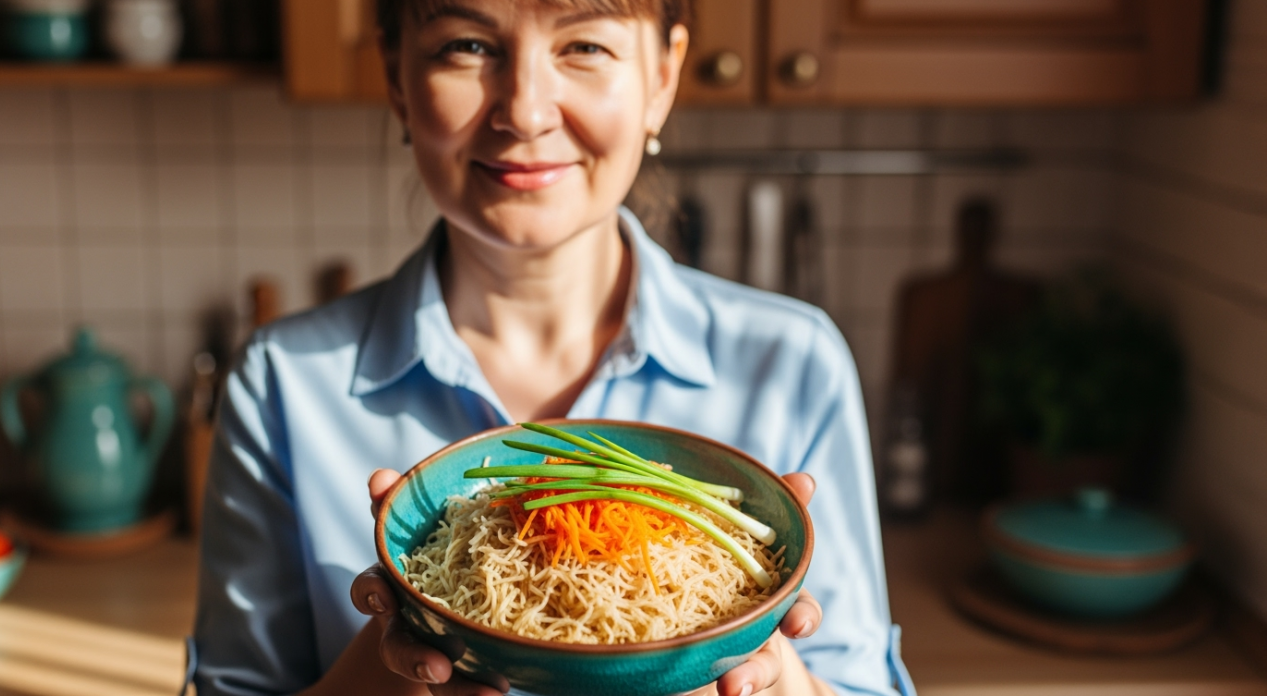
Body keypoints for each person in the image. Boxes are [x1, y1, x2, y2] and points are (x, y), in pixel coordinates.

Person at [189, 1, 914, 695]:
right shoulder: (281, 383)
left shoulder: (792, 362)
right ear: (396, 79)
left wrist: (764, 674)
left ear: (663, 76)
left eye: (585, 46)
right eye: (466, 46)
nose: (525, 112)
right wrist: (398, 664)